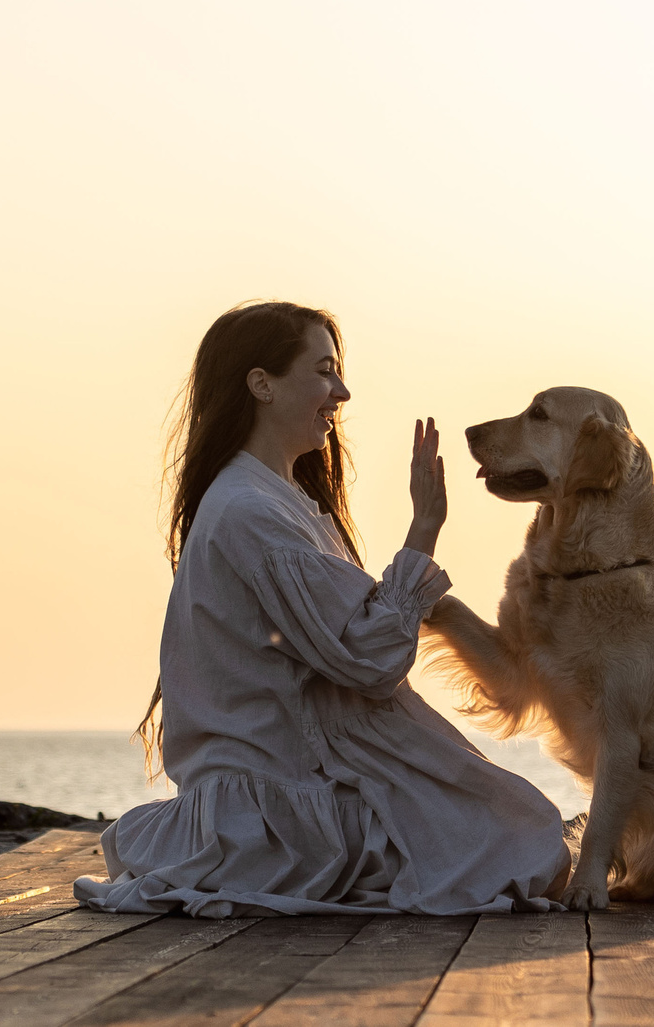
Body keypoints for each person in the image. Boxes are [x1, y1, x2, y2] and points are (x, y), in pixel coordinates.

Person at [74, 300, 569, 916]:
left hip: (302, 781)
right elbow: (369, 659)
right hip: (283, 802)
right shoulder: (250, 511)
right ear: (263, 385)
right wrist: (423, 530)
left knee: (524, 832)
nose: (343, 390)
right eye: (325, 370)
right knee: (526, 842)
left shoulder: (272, 500)